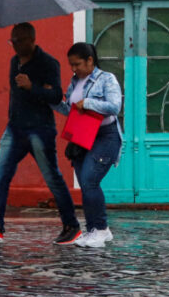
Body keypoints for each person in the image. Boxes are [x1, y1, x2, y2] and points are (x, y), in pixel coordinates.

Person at [0, 22, 81, 245]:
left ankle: (72, 226)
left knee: (53, 178)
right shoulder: (14, 62)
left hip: (40, 129)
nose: (15, 46)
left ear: (32, 40)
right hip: (15, 128)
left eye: (19, 41)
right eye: (12, 41)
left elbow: (57, 95)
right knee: (1, 174)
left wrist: (33, 87)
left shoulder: (49, 63)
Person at [52, 42, 123, 248]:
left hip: (105, 136)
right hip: (82, 137)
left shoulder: (107, 79)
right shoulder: (75, 82)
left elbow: (114, 106)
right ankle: (94, 230)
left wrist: (89, 103)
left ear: (90, 60)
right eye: (71, 65)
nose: (74, 69)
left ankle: (100, 229)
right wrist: (52, 100)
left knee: (90, 180)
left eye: (78, 64)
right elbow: (70, 110)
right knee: (85, 183)